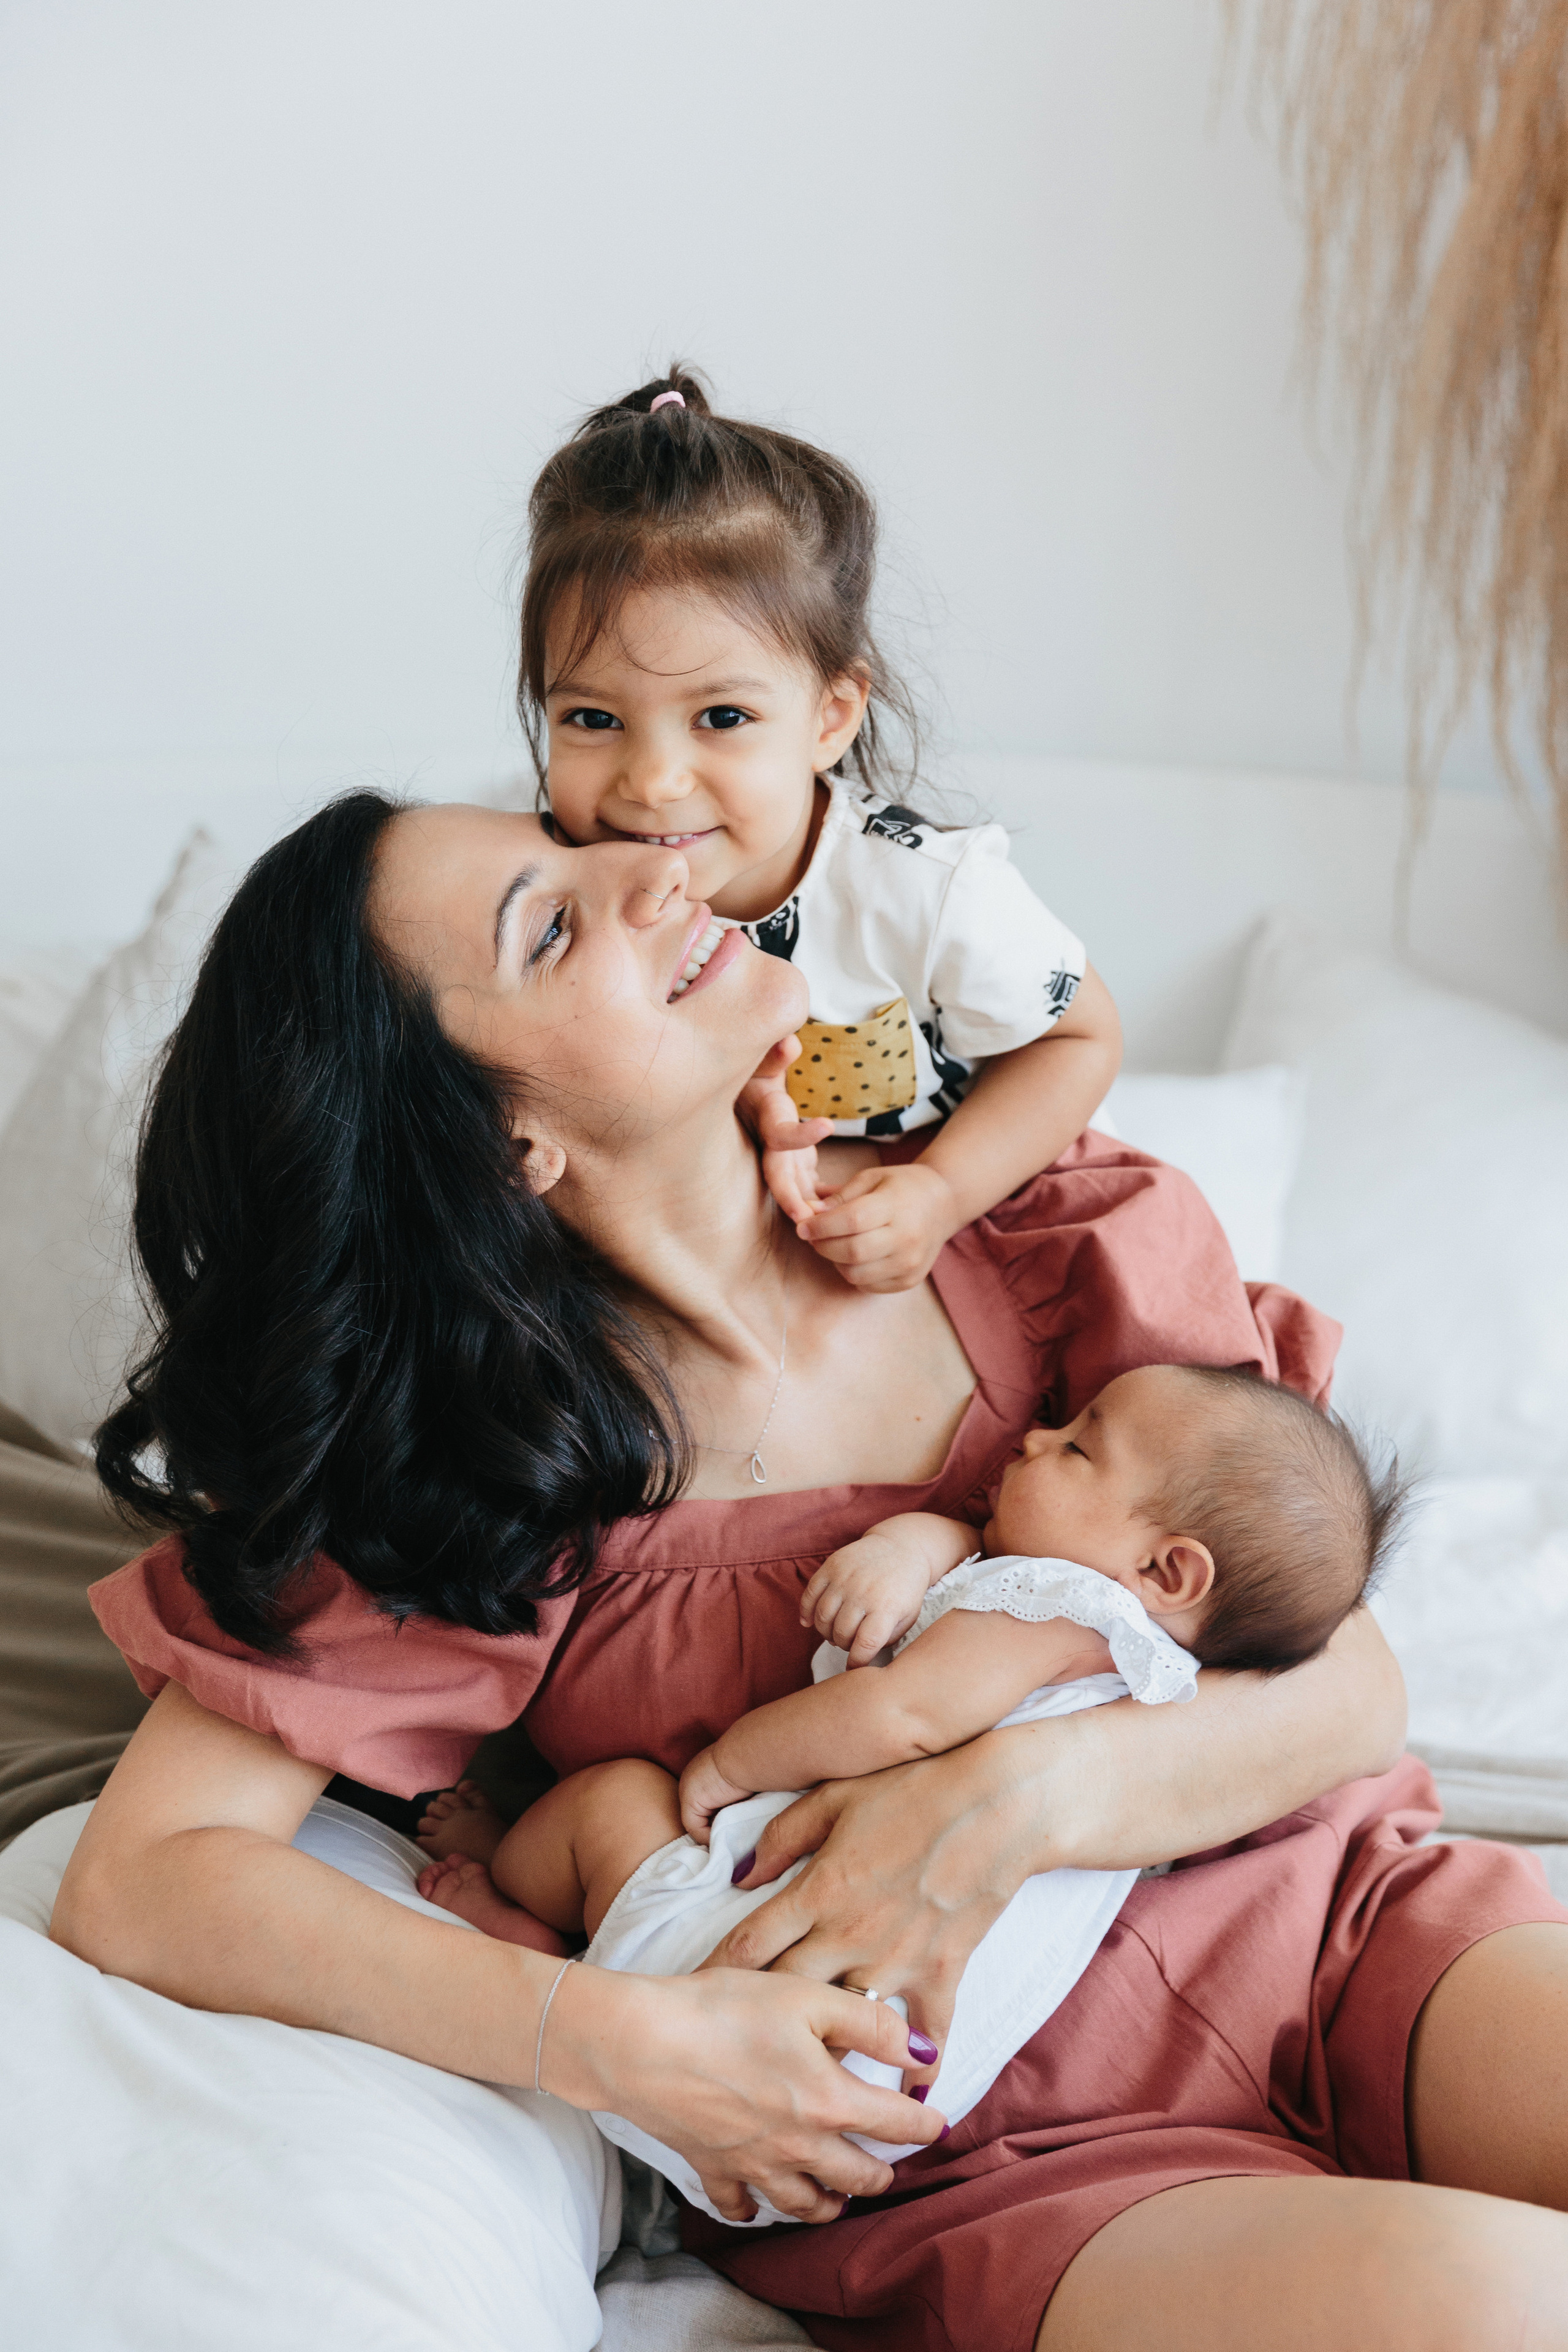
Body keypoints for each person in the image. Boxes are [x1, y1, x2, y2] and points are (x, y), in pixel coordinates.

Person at [51, 799, 1568, 2343]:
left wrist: (987, 1813)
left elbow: (1351, 1688)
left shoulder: (1030, 1223)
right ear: (505, 1143)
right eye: (553, 924)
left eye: (578, 853)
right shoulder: (480, 1471)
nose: (658, 865)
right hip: (988, 2157)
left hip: (1340, 1923)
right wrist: (602, 2039)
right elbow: (149, 1877)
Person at [409, 1360, 1403, 2227]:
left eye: (1078, 1450)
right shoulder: (1148, 1671)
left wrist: (735, 1763)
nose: (1034, 1435)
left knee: (613, 1804)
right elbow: (964, 1557)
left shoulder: (1064, 1607)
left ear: (1167, 1568)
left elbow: (902, 1716)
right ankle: (576, 1964)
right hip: (871, 2101)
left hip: (751, 2013)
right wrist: (912, 1548)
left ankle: (515, 1897)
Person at [525, 364, 1123, 1295]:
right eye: (592, 720)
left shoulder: (926, 891)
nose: (650, 782)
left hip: (955, 1197)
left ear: (831, 718)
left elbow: (1079, 1040)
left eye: (721, 717)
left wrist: (937, 1191)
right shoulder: (547, 899)